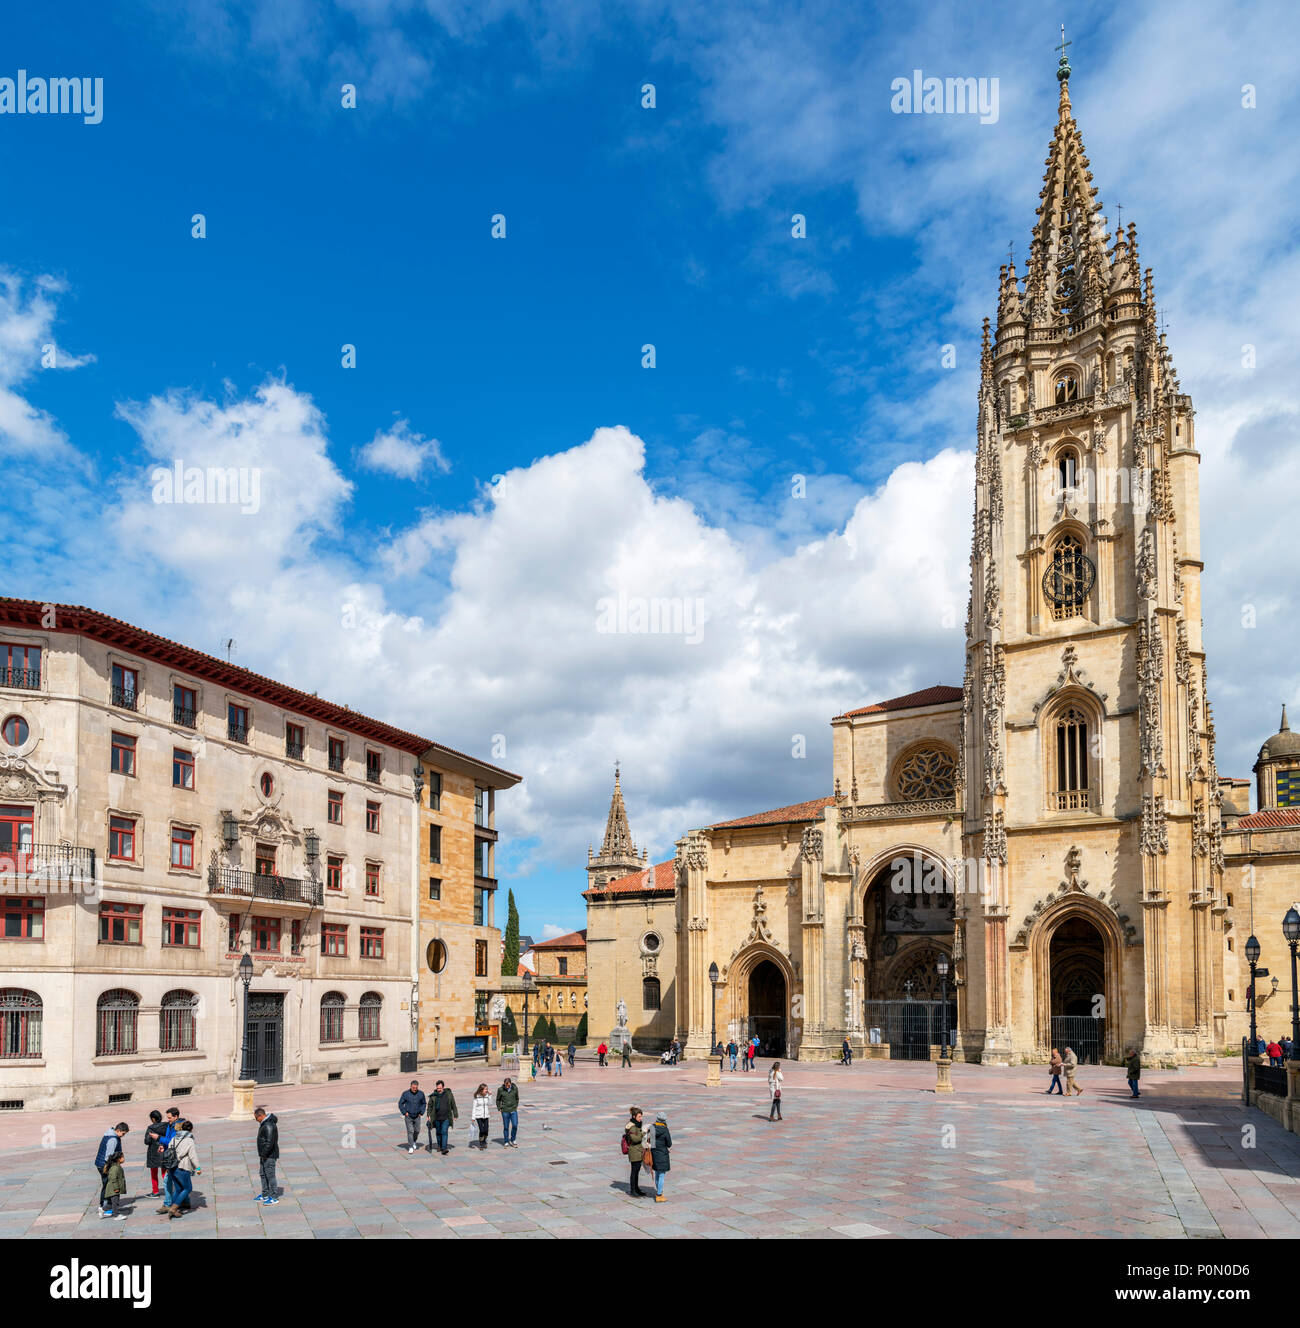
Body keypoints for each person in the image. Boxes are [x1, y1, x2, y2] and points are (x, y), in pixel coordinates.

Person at [164, 1120, 200, 1219]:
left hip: (172, 1167)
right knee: (188, 1188)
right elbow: (193, 1155)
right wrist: (198, 1167)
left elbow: (169, 1151)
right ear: (191, 1129)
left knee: (179, 1188)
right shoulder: (189, 1140)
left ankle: (172, 1207)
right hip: (182, 1167)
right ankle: (173, 1209)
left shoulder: (174, 1138)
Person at [94, 1122, 129, 1219]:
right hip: (104, 1165)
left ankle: (109, 1206)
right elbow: (108, 1156)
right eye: (123, 1133)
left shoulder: (110, 1135)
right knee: (108, 1186)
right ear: (117, 1130)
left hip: (102, 1164)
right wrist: (113, 1167)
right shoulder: (113, 1139)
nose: (123, 1136)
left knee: (108, 1185)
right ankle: (104, 1207)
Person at [253, 1106, 279, 1203]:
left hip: (269, 1155)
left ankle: (274, 1197)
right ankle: (265, 1194)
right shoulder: (265, 1124)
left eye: (256, 1118)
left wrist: (264, 1154)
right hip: (264, 1155)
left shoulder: (268, 1125)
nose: (256, 1120)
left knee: (270, 1175)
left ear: (261, 1116)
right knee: (263, 1174)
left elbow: (269, 1142)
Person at [428, 1080, 458, 1154]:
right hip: (437, 1118)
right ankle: (439, 1145)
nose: (439, 1090)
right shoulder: (433, 1096)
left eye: (440, 1088)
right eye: (437, 1088)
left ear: (443, 1087)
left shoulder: (449, 1094)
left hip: (446, 1118)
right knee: (438, 1132)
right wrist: (428, 1115)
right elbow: (429, 1106)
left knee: (444, 1132)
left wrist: (455, 1114)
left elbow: (453, 1104)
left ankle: (444, 1148)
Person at [648, 1111, 672, 1202]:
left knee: (657, 1173)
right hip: (662, 1154)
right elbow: (669, 1143)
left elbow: (650, 1141)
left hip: (654, 1153)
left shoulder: (652, 1127)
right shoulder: (665, 1129)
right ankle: (659, 1195)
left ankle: (659, 1192)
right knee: (661, 1174)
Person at [398, 1080, 426, 1154]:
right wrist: (405, 1112)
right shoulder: (405, 1094)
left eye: (416, 1088)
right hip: (408, 1116)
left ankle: (414, 1141)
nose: (414, 1089)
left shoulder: (421, 1094)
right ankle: (410, 1146)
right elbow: (400, 1104)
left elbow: (424, 1103)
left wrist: (422, 1112)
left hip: (417, 1116)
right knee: (410, 1131)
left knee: (417, 1130)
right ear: (410, 1086)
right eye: (413, 1088)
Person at [624, 1106, 647, 1197]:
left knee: (636, 1171)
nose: (641, 1118)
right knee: (634, 1171)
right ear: (634, 1117)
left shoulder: (637, 1124)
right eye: (639, 1117)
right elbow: (635, 1139)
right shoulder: (632, 1127)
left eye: (641, 1116)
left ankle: (636, 1189)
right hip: (634, 1151)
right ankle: (633, 1190)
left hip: (638, 1151)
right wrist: (644, 1133)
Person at [144, 1110, 167, 1199]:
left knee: (154, 1173)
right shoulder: (166, 1126)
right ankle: (168, 1189)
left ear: (153, 1119)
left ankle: (155, 1191)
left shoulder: (150, 1128)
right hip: (164, 1150)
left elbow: (147, 1141)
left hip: (153, 1152)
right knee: (164, 1172)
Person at [496, 1076, 519, 1147]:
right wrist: (499, 1107)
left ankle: (513, 1139)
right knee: (506, 1127)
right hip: (505, 1111)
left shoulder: (515, 1089)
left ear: (511, 1084)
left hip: (513, 1110)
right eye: (506, 1085)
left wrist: (515, 1106)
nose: (507, 1086)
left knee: (515, 1125)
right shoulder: (500, 1090)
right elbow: (498, 1099)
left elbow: (517, 1098)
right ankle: (506, 1141)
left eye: (508, 1085)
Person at [471, 1083, 492, 1149]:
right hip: (478, 1116)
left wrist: (490, 1095)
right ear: (481, 1089)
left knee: (486, 1130)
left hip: (486, 1115)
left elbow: (490, 1103)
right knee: (482, 1130)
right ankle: (481, 1142)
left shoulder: (487, 1095)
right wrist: (473, 1117)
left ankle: (484, 1140)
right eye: (486, 1089)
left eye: (487, 1089)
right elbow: (474, 1107)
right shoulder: (476, 1096)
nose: (487, 1090)